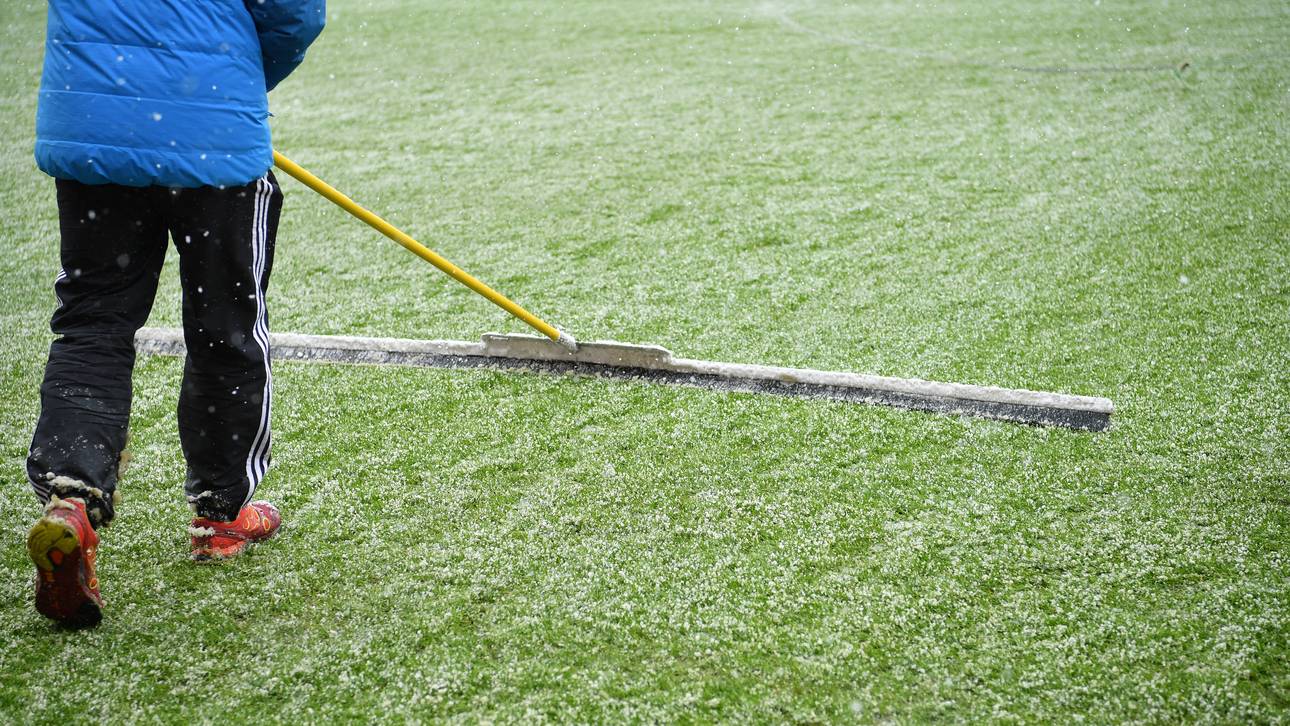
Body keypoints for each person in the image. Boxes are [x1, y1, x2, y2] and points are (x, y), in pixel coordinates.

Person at [24, 0, 325, 627]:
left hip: (93, 123)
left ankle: (71, 497)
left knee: (93, 322)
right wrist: (237, 75)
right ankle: (220, 514)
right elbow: (295, 13)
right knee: (226, 327)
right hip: (212, 126)